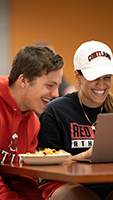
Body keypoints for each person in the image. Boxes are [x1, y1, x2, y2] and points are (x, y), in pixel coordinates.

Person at [37, 40, 113, 200]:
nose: (102, 84)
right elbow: (47, 165)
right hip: (62, 183)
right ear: (77, 76)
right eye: (95, 77)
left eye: (107, 77)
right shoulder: (56, 110)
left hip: (110, 183)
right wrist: (85, 156)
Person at [0, 45, 64, 199]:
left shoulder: (33, 122)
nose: (56, 94)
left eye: (57, 86)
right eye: (49, 85)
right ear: (23, 80)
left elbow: (22, 176)